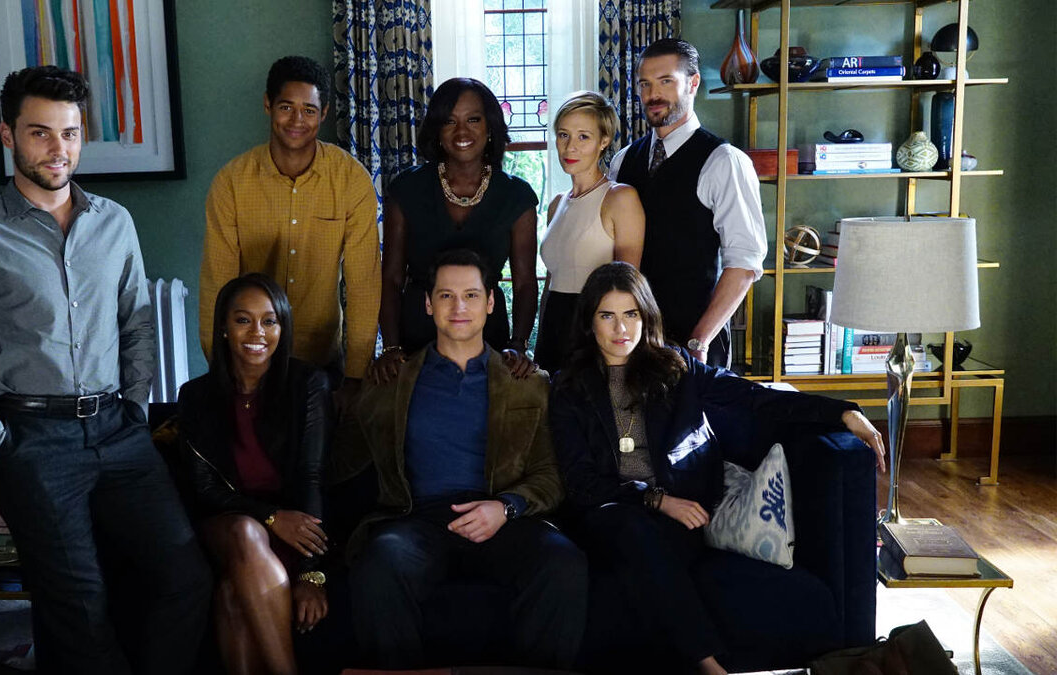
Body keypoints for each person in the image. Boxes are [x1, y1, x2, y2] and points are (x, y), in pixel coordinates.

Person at [0, 66, 210, 674]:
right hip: (33, 440)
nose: (59, 149)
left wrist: (135, 407)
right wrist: (0, 442)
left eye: (71, 133)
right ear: (8, 135)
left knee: (184, 574)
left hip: (118, 431)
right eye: (41, 133)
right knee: (80, 608)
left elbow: (137, 323)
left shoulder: (115, 222)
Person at [548, 262, 886, 675]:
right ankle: (709, 664)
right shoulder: (569, 387)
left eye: (631, 313)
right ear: (590, 321)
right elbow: (582, 482)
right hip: (610, 515)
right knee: (629, 527)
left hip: (678, 522)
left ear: (646, 316)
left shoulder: (676, 369)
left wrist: (842, 413)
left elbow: (755, 399)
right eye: (607, 315)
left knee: (646, 551)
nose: (621, 328)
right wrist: (657, 500)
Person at [334, 249, 586, 669]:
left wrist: (506, 507)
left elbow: (550, 474)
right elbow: (344, 464)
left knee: (563, 563)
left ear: (490, 302)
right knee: (379, 564)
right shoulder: (392, 381)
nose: (458, 308)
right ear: (428, 304)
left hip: (502, 517)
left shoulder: (528, 384)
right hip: (419, 521)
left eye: (471, 295)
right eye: (446, 296)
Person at [200, 55, 381, 401]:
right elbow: (217, 287)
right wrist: (220, 370)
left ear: (324, 113)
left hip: (322, 359)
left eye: (309, 110)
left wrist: (356, 376)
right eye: (286, 107)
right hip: (249, 362)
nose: (297, 120)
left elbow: (364, 284)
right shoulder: (232, 183)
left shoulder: (350, 181)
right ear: (268, 105)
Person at [178, 274, 332, 675]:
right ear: (224, 328)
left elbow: (311, 477)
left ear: (283, 327)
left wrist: (312, 575)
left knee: (233, 593)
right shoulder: (196, 396)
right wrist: (270, 517)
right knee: (246, 532)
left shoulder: (307, 385)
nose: (257, 333)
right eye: (243, 320)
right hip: (227, 526)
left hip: (289, 530)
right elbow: (205, 489)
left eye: (269, 321)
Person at [607, 39, 767, 369]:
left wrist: (700, 340)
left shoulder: (724, 161)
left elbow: (744, 264)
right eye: (645, 84)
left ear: (693, 83)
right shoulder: (623, 161)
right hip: (630, 341)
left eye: (666, 81)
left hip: (696, 343)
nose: (653, 95)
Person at [371, 78, 538, 383]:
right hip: (416, 341)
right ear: (437, 129)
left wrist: (518, 345)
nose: (462, 131)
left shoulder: (516, 196)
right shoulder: (406, 189)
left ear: (490, 127)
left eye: (473, 120)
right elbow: (391, 278)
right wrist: (391, 347)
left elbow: (525, 282)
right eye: (449, 121)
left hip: (488, 339)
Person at [535, 91, 645, 372]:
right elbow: (551, 282)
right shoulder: (556, 204)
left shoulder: (620, 198)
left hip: (595, 328)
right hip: (553, 328)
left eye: (583, 137)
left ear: (603, 141)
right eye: (563, 135)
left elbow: (628, 287)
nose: (570, 147)